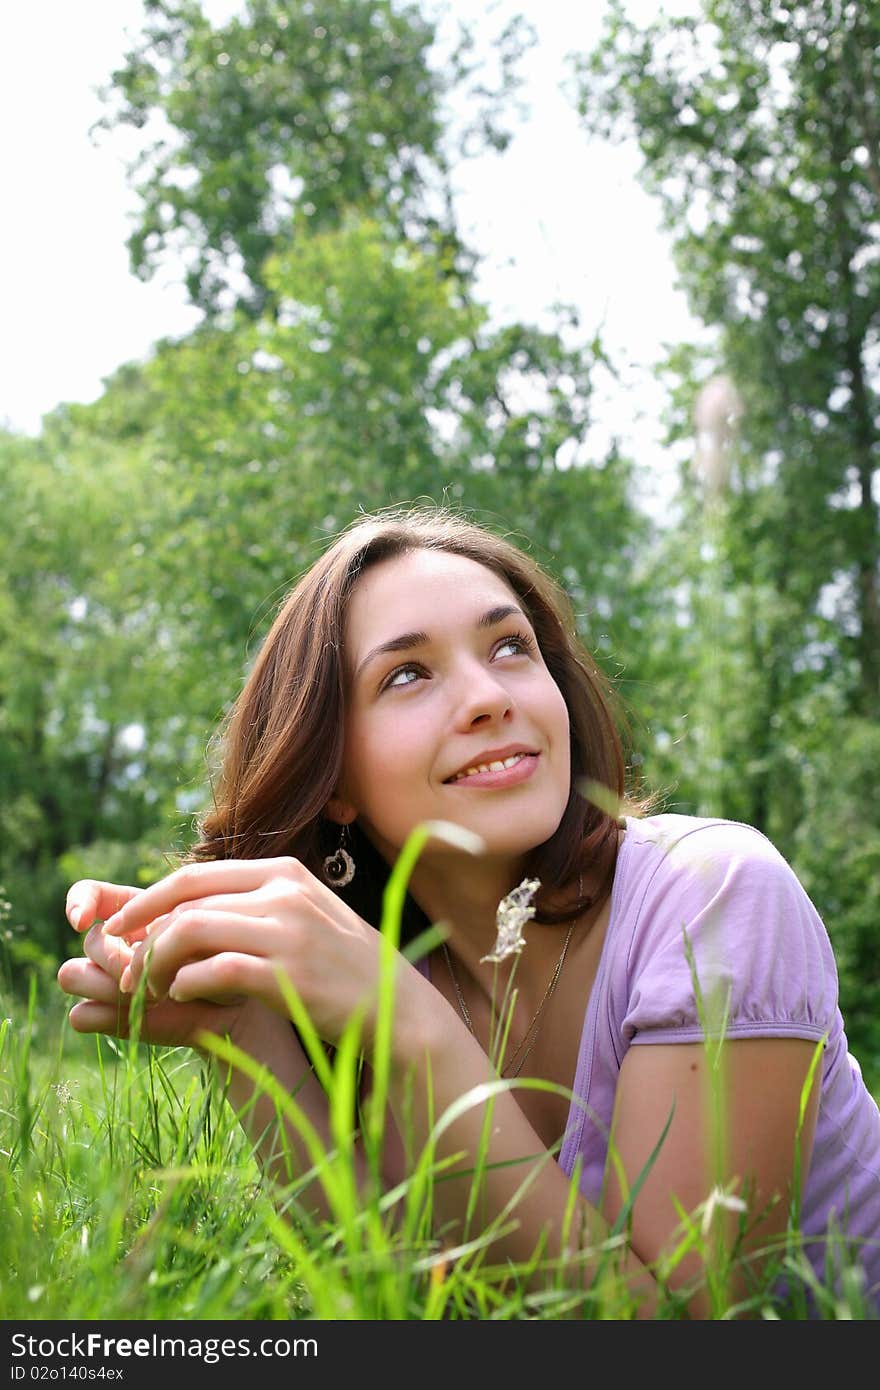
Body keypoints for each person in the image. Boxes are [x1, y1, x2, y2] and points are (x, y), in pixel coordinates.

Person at [57, 504, 880, 1319]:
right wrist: (236, 1030)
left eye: (511, 647)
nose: (489, 695)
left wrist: (413, 1031)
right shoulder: (364, 970)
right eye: (407, 673)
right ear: (332, 776)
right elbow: (389, 1298)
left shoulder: (715, 891)